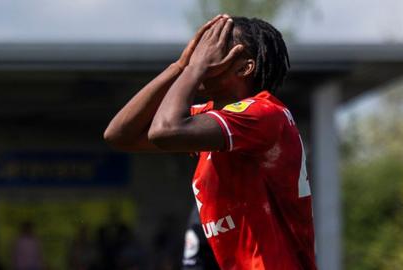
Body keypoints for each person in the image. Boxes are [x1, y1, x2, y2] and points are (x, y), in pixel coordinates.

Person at [103, 14, 317, 269]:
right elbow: (119, 135)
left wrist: (195, 69)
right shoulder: (214, 120)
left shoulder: (263, 114)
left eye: (217, 45)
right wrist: (179, 67)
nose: (203, 53)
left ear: (244, 67)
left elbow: (164, 130)